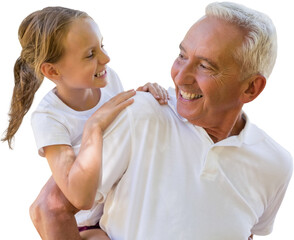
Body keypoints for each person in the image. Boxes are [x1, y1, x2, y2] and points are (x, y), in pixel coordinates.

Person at [29, 2, 293, 240]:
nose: (180, 77)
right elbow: (49, 209)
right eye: (182, 56)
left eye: (205, 66)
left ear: (251, 89)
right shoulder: (141, 114)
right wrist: (94, 128)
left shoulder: (276, 165)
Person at [1, 6, 169, 240]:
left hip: (118, 205)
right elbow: (78, 197)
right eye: (90, 54)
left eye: (102, 46)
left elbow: (122, 133)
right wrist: (94, 127)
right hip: (86, 226)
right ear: (52, 70)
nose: (105, 58)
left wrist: (141, 99)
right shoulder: (49, 117)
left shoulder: (109, 80)